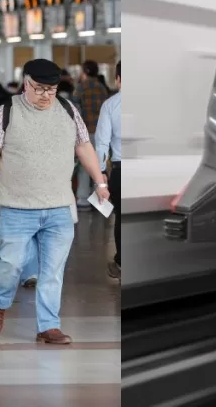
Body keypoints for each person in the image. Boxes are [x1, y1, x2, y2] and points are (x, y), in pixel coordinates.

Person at [0, 59, 110, 345]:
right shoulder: (7, 111)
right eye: (40, 89)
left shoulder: (68, 110)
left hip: (59, 207)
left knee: (52, 272)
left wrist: (100, 182)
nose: (46, 95)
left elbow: (84, 146)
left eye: (52, 89)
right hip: (16, 207)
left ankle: (48, 326)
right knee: (10, 264)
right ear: (26, 83)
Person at [95, 61, 121, 280]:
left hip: (122, 171)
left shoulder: (111, 105)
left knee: (121, 217)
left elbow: (102, 143)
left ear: (118, 79)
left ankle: (121, 263)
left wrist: (101, 171)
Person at [73, 60, 109, 209]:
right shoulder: (102, 88)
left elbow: (75, 111)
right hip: (101, 133)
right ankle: (99, 200)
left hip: (86, 132)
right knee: (99, 165)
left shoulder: (81, 88)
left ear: (85, 72)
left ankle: (82, 199)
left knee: (84, 165)